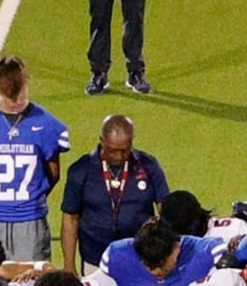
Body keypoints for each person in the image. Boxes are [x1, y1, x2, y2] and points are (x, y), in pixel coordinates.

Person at [0, 56, 70, 261]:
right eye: (10, 94)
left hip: (30, 220)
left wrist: (29, 200)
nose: (16, 100)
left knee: (31, 281)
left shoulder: (47, 125)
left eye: (19, 92)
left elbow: (54, 173)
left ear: (26, 80)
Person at [57, 114, 167, 273]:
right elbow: (70, 218)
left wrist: (162, 257)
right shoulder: (82, 170)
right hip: (95, 260)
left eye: (124, 150)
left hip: (140, 258)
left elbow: (165, 210)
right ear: (102, 140)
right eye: (112, 150)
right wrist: (69, 265)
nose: (118, 156)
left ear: (132, 141)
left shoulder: (149, 165)